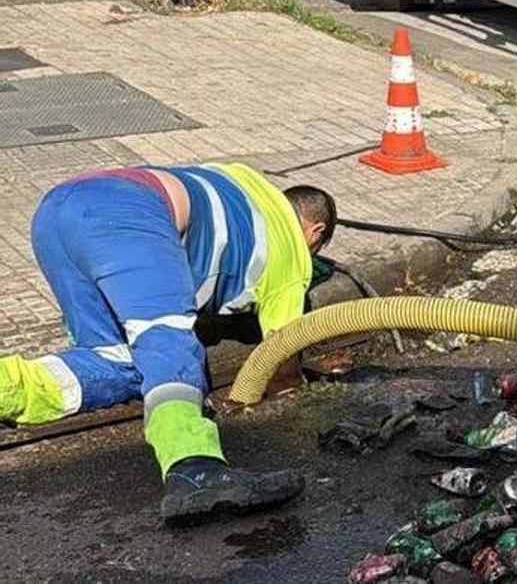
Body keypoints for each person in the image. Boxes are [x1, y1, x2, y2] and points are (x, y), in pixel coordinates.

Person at [0, 163, 336, 526]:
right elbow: (281, 349)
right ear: (314, 231)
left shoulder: (248, 181)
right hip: (127, 212)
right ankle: (195, 468)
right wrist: (298, 400)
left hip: (56, 213)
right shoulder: (291, 250)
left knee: (118, 361)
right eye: (318, 247)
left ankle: (7, 389)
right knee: (169, 343)